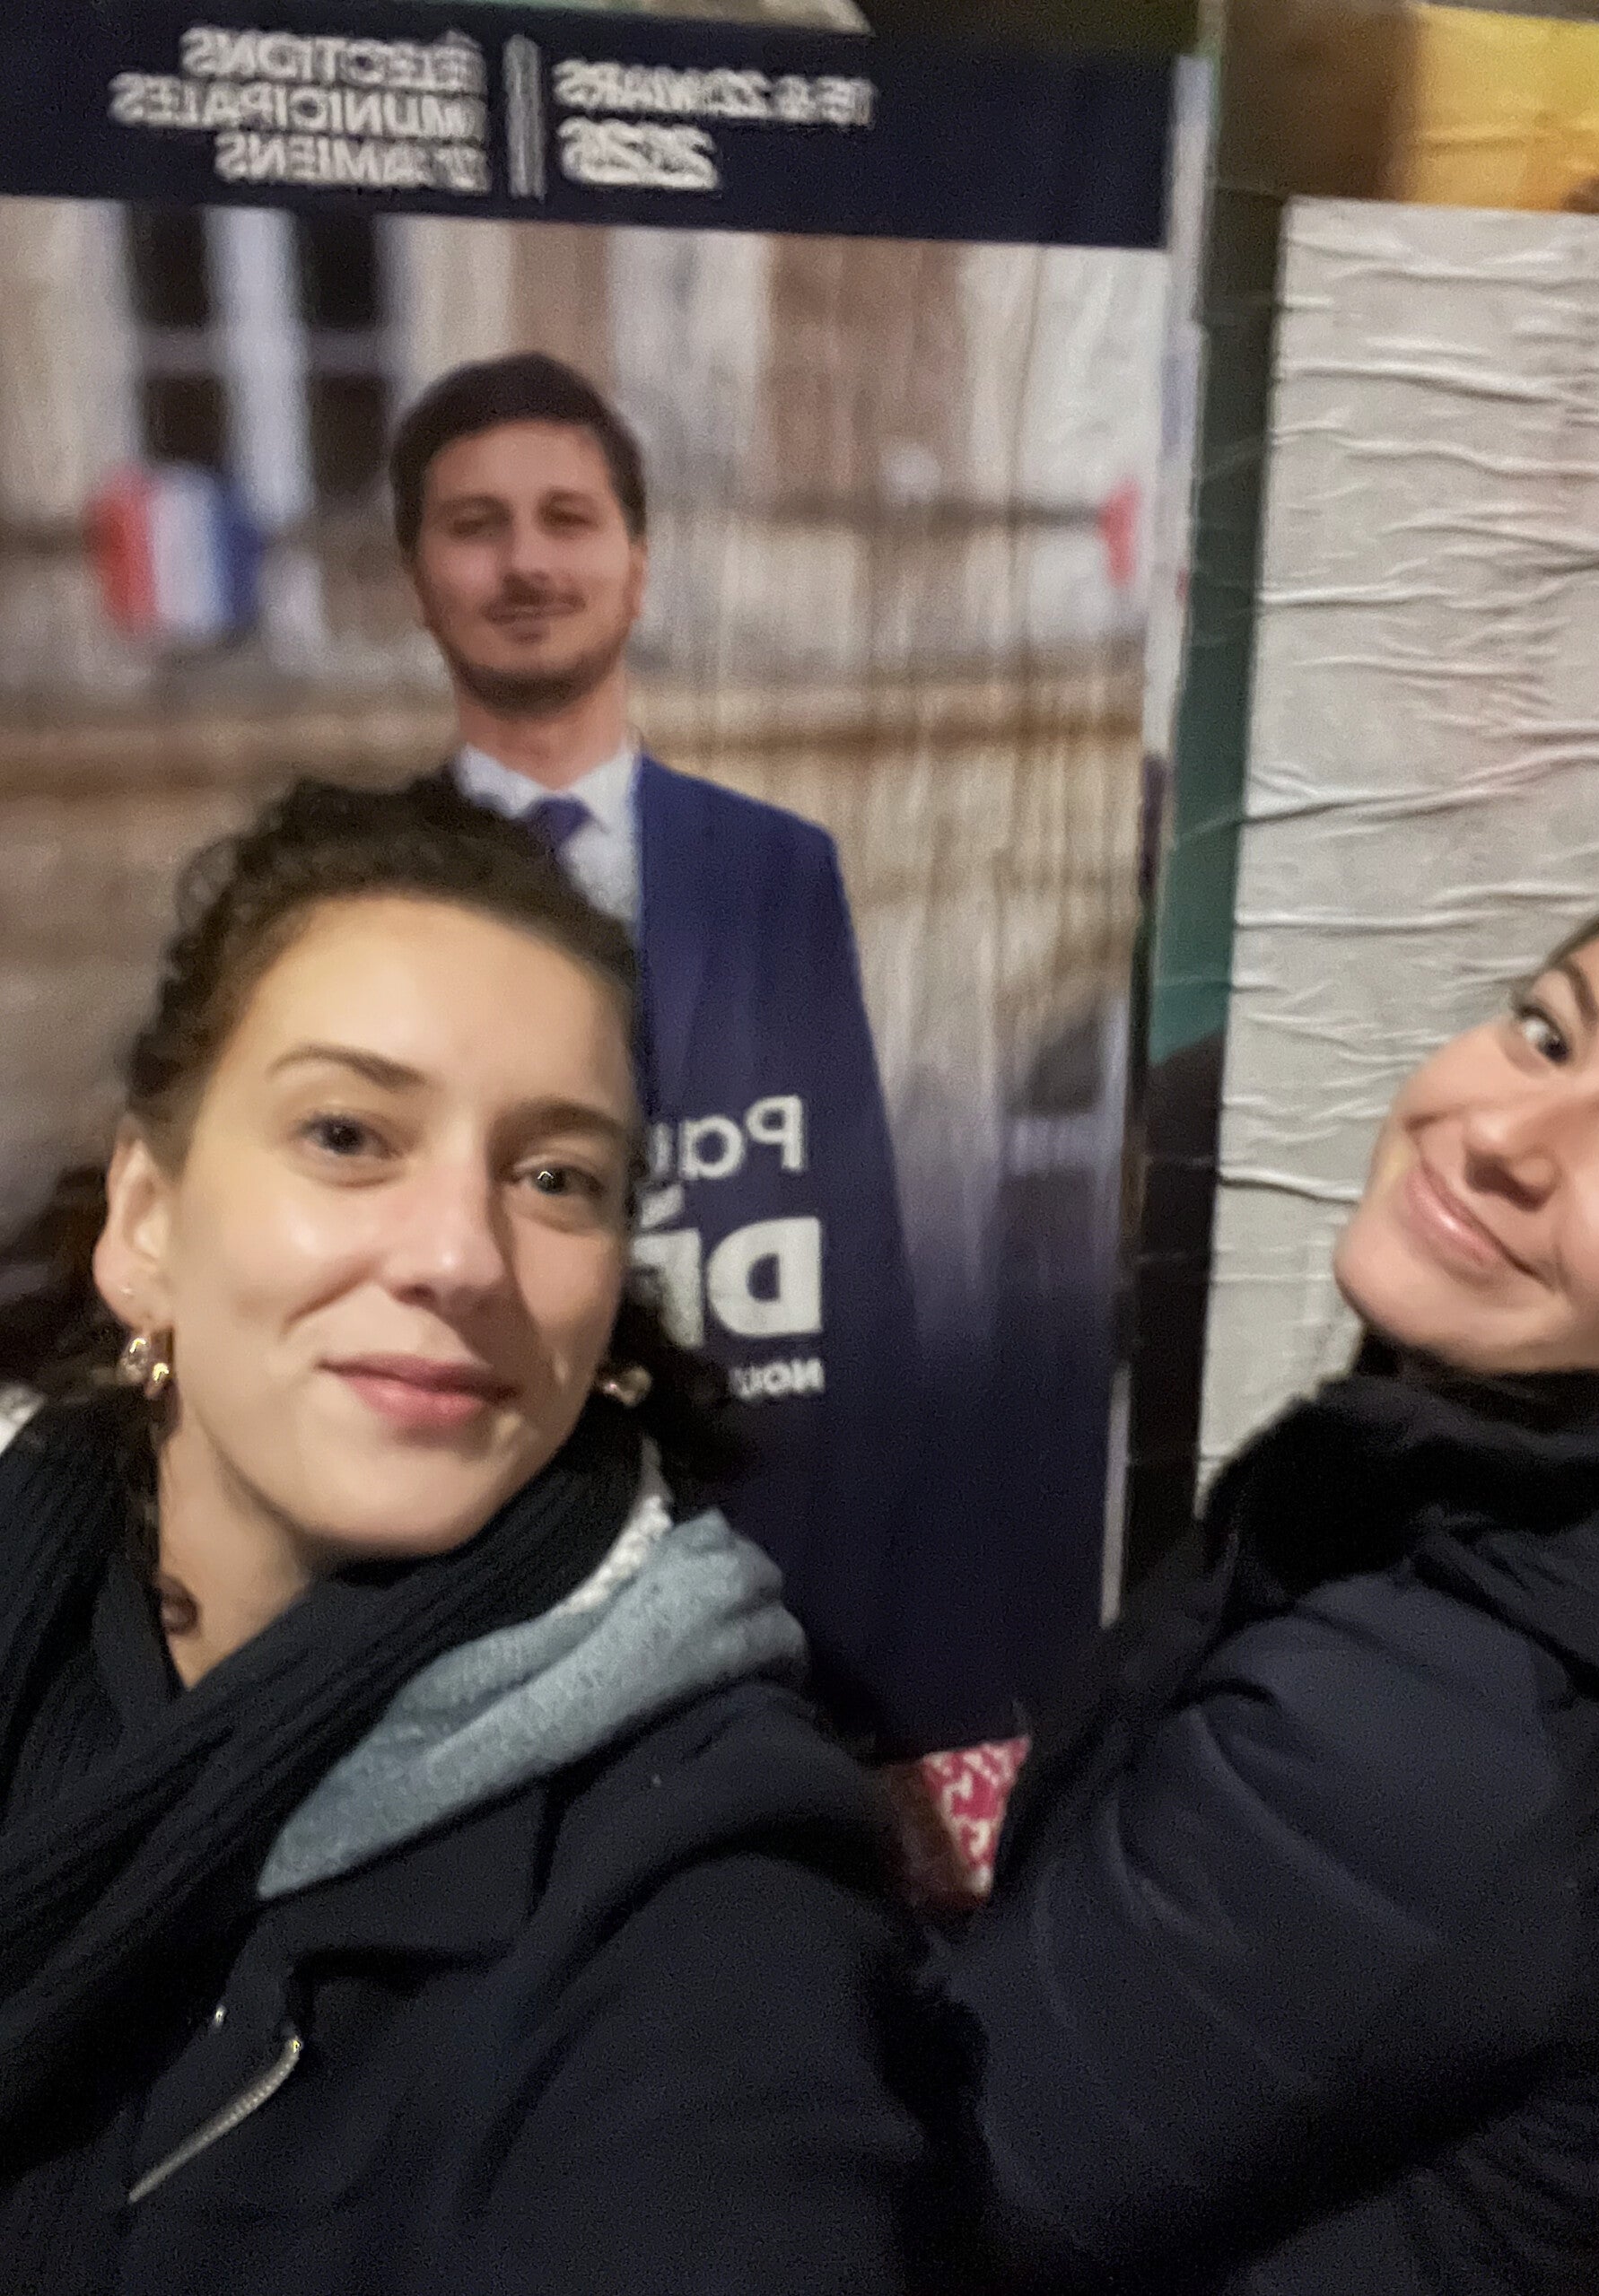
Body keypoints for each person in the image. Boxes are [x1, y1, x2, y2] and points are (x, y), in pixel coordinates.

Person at [0, 777, 940, 2295]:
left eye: (556, 1177)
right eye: (349, 1134)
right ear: (147, 1220)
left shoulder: (700, 1877)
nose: (460, 1255)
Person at [943, 857, 1599, 2293]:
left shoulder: (1451, 1719)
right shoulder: (1507, 1513)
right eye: (1547, 1032)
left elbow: (937, 2192)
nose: (1504, 1134)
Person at [389, 354, 922, 1746]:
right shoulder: (363, 881)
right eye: (476, 525)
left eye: (566, 519)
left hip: (762, 1559)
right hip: (466, 1586)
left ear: (636, 567)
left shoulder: (777, 867)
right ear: (417, 577)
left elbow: (851, 1238)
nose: (525, 563)